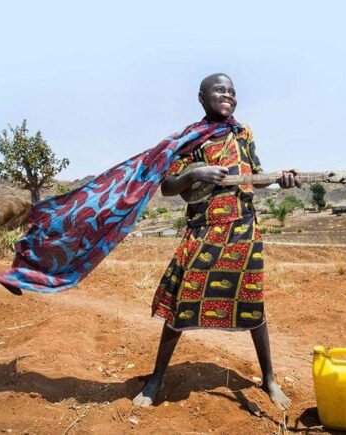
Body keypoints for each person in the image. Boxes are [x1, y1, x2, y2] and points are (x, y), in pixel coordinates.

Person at [133, 73, 299, 410]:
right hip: (204, 229)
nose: (228, 96)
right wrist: (194, 174)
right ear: (202, 97)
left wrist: (279, 179)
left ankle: (269, 379)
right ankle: (156, 380)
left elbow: (255, 176)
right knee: (182, 303)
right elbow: (168, 186)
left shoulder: (243, 132)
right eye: (220, 90)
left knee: (253, 304)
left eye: (232, 92)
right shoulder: (191, 138)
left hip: (243, 230)